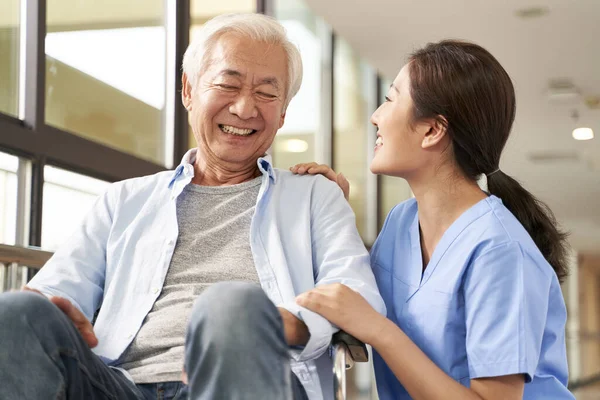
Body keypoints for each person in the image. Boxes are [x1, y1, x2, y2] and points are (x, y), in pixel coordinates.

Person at [0, 13, 385, 400]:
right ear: (188, 90)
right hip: (120, 387)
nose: (244, 108)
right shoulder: (125, 201)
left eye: (267, 93)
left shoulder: (314, 195)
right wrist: (46, 314)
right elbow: (51, 292)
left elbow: (357, 293)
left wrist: (282, 322)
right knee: (16, 311)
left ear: (283, 112)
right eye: (227, 84)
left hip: (253, 380)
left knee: (230, 304)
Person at [293, 40, 574, 399]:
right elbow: (355, 294)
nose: (376, 115)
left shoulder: (499, 251)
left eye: (391, 99)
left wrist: (379, 331)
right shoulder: (400, 222)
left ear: (432, 130)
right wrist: (332, 215)